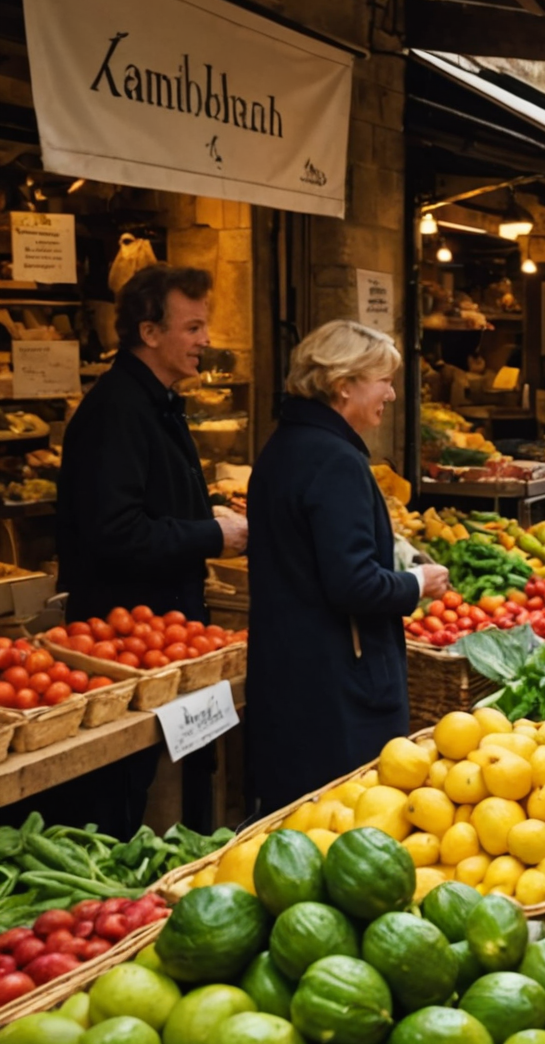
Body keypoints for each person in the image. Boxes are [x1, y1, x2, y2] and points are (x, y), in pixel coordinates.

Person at [54, 264, 249, 832]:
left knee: (173, 779)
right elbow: (115, 532)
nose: (206, 340)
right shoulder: (117, 410)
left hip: (167, 634)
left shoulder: (155, 400)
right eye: (193, 327)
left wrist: (204, 507)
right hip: (125, 640)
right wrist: (213, 534)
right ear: (149, 332)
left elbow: (147, 503)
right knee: (120, 794)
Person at [247, 321, 450, 811]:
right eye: (383, 380)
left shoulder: (281, 448)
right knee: (344, 821)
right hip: (337, 689)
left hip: (288, 676)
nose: (393, 394)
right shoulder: (335, 460)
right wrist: (415, 582)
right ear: (343, 385)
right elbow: (353, 583)